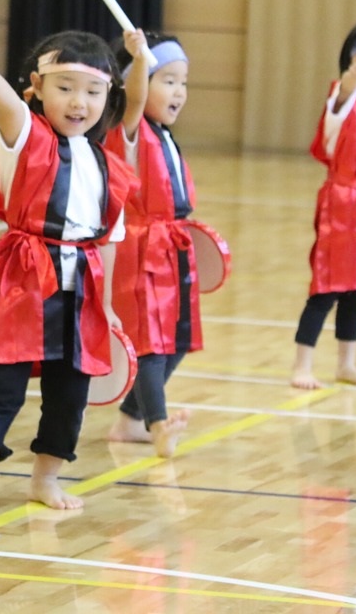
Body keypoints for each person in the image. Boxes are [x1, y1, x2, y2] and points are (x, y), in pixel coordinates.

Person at [0, 29, 137, 516]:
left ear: (108, 97)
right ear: (35, 87)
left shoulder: (111, 166)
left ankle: (45, 479)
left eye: (93, 92)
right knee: (4, 379)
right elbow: (5, 101)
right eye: (65, 87)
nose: (80, 102)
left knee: (70, 392)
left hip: (84, 288)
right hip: (23, 279)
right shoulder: (25, 136)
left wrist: (110, 305)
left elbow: (109, 240)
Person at [103, 30, 200, 457]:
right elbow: (134, 96)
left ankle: (130, 420)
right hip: (141, 249)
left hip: (171, 244)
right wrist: (140, 60)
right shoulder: (131, 130)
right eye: (168, 80)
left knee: (177, 341)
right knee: (151, 343)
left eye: (183, 82)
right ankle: (158, 424)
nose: (178, 91)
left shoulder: (164, 135)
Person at [291, 19, 356, 390]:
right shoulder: (343, 98)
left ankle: (346, 363)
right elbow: (330, 127)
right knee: (327, 287)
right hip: (342, 206)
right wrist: (348, 87)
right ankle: (302, 365)